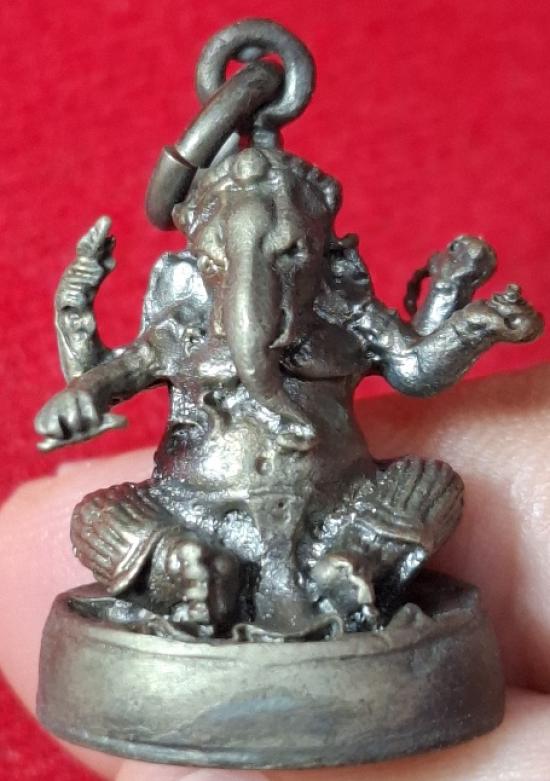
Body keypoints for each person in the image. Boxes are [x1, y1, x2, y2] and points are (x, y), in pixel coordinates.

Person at [1, 364, 549, 780]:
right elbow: (106, 378)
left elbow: (417, 367)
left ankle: (356, 561)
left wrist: (466, 313)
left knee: (431, 482)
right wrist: (79, 394)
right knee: (97, 514)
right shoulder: (177, 334)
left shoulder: (342, 324)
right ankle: (183, 566)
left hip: (339, 512)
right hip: (196, 513)